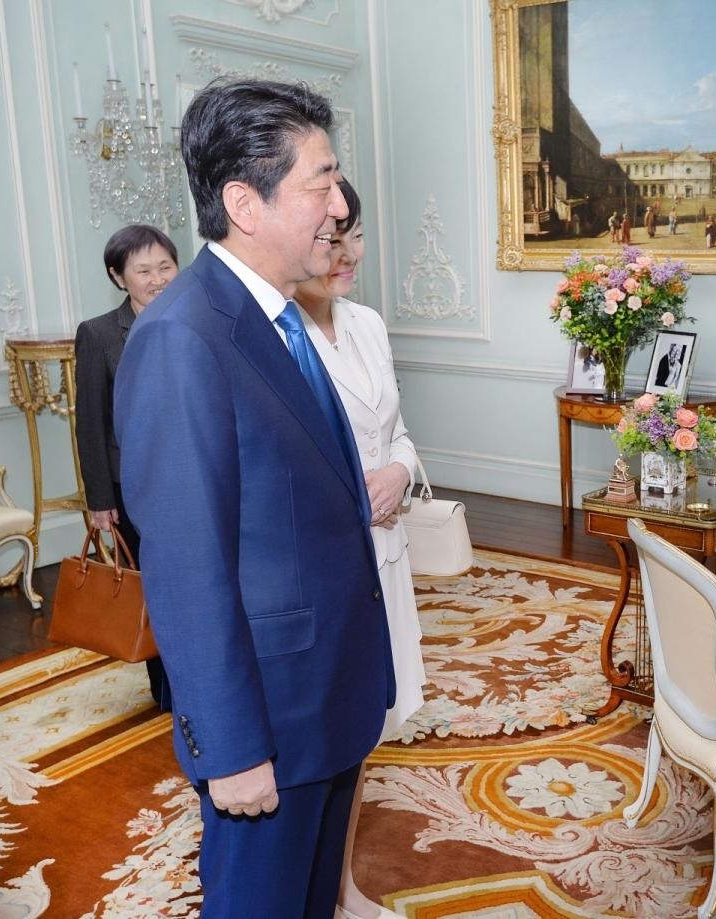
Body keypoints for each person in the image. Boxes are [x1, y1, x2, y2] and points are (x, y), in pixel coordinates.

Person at [114, 79, 396, 918]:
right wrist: (231, 748)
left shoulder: (277, 318)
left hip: (326, 700)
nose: (340, 204)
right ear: (245, 200)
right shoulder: (182, 339)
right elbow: (187, 566)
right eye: (321, 180)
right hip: (266, 728)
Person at [292, 178, 426, 918]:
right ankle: (320, 893)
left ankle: (342, 888)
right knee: (329, 743)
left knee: (364, 738)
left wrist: (400, 471)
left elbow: (396, 430)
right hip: (332, 570)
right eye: (332, 236)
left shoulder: (369, 323)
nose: (347, 252)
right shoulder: (283, 335)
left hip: (389, 557)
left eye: (356, 235)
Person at [75, 224, 178, 710]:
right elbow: (90, 423)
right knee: (155, 590)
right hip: (131, 487)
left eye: (165, 267)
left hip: (190, 479)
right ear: (119, 277)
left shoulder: (192, 320)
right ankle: (168, 691)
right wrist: (99, 501)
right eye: (143, 271)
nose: (158, 279)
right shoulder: (98, 334)